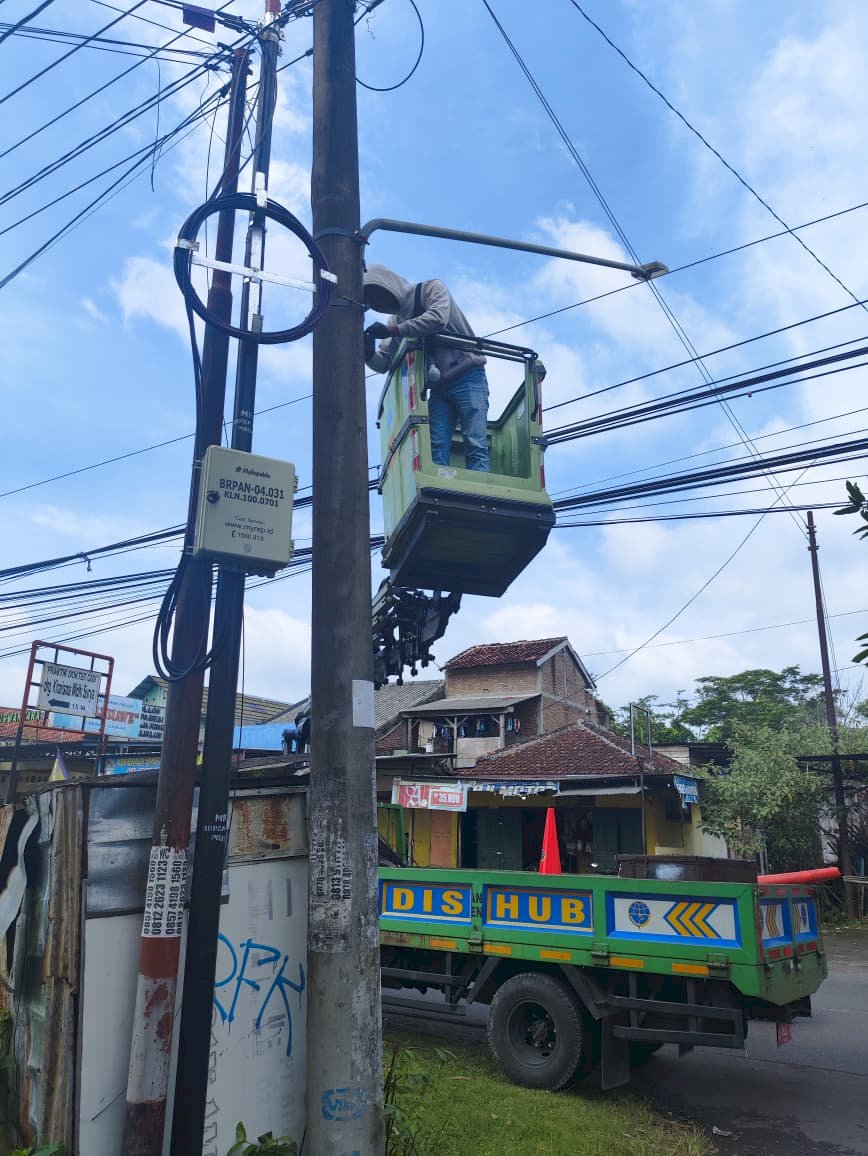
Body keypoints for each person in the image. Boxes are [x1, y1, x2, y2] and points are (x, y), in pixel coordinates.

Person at [363, 264, 490, 472]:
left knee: (475, 441)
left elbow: (438, 318)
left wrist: (393, 331)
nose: (377, 304)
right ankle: (440, 489)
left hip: (469, 375)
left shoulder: (432, 288)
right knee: (436, 446)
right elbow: (384, 362)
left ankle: (481, 495)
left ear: (388, 286)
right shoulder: (395, 320)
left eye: (377, 296)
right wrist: (367, 353)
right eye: (372, 303)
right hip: (439, 387)